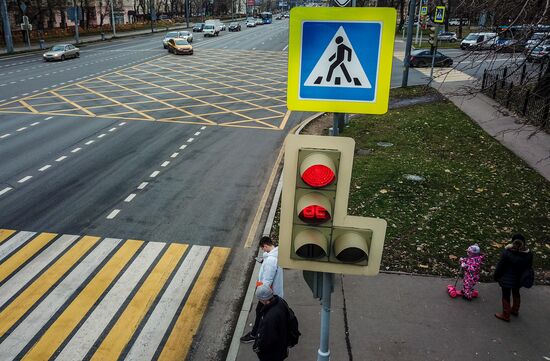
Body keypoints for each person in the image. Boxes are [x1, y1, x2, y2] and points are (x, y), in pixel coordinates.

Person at [241, 236, 284, 343]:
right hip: (273, 293)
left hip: (268, 295)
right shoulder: (275, 255)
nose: (263, 250)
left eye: (263, 248)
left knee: (261, 313)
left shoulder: (270, 261)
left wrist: (262, 297)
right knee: (266, 314)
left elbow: (267, 282)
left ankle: (255, 334)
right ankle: (260, 333)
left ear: (265, 245)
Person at [493, 233, 534, 322]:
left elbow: (500, 266)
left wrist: (496, 276)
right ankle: (515, 310)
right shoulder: (529, 254)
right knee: (516, 292)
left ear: (513, 242)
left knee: (506, 295)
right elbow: (529, 266)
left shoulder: (507, 253)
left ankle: (506, 314)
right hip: (519, 278)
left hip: (506, 278)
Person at [252, 285, 289, 361]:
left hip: (272, 353)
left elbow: (266, 339)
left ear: (263, 300)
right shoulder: (281, 302)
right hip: (282, 345)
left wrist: (257, 347)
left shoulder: (269, 318)